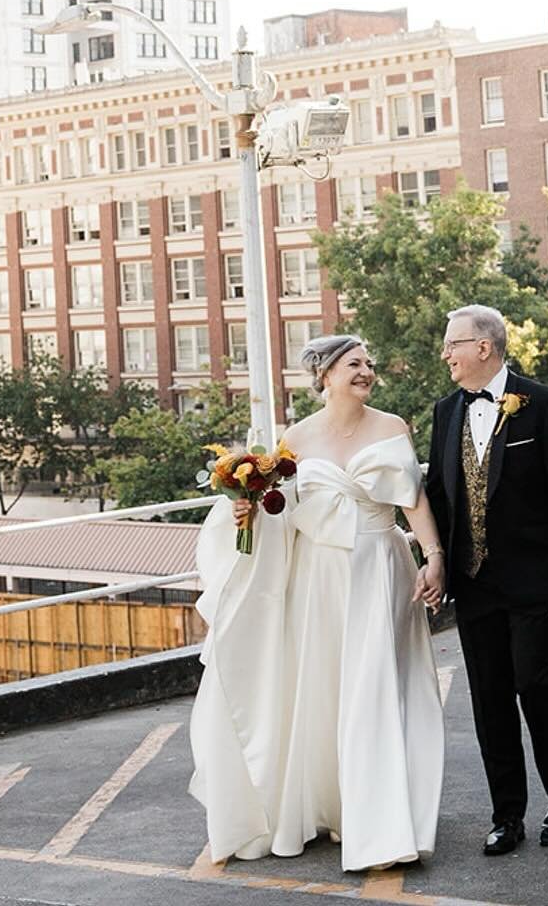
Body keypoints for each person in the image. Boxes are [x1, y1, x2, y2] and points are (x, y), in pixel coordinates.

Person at [190, 333, 446, 872]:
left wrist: (434, 555)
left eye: (369, 364)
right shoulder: (295, 438)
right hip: (317, 577)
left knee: (375, 690)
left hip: (380, 568)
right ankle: (333, 809)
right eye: (355, 364)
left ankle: (380, 829)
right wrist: (248, 513)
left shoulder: (392, 426)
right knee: (325, 691)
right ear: (326, 375)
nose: (366, 371)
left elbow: (413, 499)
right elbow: (282, 507)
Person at [423, 303, 548, 858]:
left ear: (484, 347)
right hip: (474, 586)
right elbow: (443, 496)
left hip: (534, 581)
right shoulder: (446, 411)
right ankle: (506, 816)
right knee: (489, 699)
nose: (445, 354)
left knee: (536, 686)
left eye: (453, 344)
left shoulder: (541, 404)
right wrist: (439, 561)